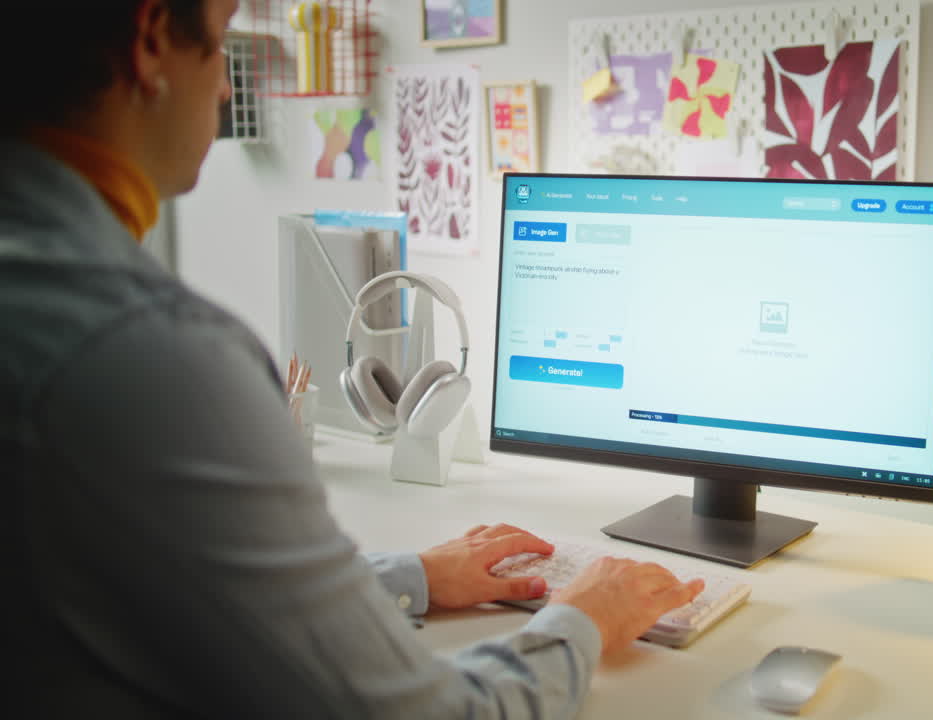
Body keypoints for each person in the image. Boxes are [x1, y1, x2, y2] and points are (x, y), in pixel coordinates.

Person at [1, 1, 703, 716]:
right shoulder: (148, 357)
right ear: (151, 42)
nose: (223, 90)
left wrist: (412, 576)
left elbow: (161, 587)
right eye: (219, 47)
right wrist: (583, 619)